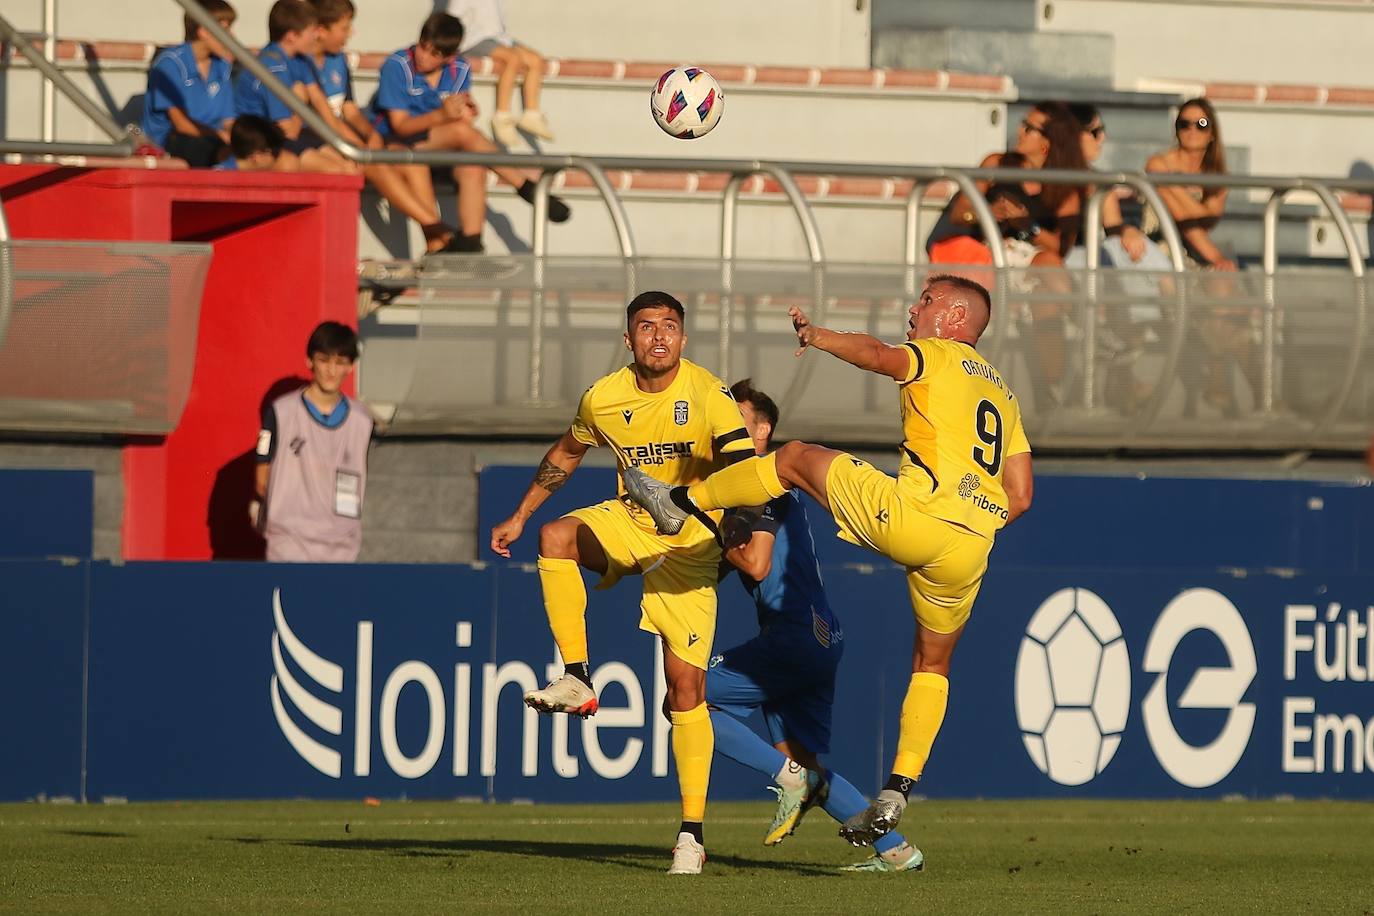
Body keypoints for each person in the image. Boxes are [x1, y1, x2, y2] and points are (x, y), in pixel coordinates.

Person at [623, 274, 1034, 849]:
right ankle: (898, 787)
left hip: (917, 519)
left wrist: (819, 337)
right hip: (972, 546)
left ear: (956, 316)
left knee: (791, 458)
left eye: (926, 300)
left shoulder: (938, 355)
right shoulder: (1005, 397)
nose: (914, 308)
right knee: (933, 666)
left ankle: (681, 500)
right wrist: (965, 520)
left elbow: (878, 355)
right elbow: (1021, 496)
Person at [489, 291, 756, 875]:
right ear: (628, 339)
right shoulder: (604, 398)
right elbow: (566, 452)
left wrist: (738, 523)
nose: (658, 337)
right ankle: (578, 678)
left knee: (685, 692)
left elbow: (740, 463)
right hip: (632, 524)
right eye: (645, 327)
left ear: (683, 339)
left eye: (668, 327)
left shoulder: (709, 394)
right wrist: (520, 514)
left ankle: (691, 834)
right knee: (555, 537)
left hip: (692, 545)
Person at [707, 378, 924, 873]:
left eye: (735, 420)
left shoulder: (758, 482)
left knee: (689, 699)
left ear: (761, 430)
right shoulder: (773, 486)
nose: (722, 432)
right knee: (804, 763)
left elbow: (756, 563)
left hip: (793, 636)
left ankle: (788, 779)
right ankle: (897, 851)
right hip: (821, 634)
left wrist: (705, 525)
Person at [369, 12, 569, 254]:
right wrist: (443, 116)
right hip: (396, 144)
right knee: (460, 135)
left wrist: (464, 111)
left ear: (450, 56)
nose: (423, 56)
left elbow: (457, 115)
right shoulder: (397, 65)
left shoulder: (459, 68)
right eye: (423, 47)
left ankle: (470, 244)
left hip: (435, 143)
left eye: (435, 54)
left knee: (472, 165)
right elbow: (400, 127)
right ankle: (525, 186)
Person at [932, 102, 1087, 410]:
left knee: (1048, 290)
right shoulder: (998, 163)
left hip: (1028, 258)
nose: (1020, 131)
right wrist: (991, 213)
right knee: (1049, 290)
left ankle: (1053, 390)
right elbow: (960, 210)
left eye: (1030, 128)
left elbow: (1059, 246)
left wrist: (1025, 224)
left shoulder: (1063, 186)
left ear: (1048, 141)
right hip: (987, 256)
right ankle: (1090, 327)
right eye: (1022, 124)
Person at [306, 0, 462, 254]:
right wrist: (361, 145)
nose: (351, 33)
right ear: (321, 30)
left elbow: (349, 110)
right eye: (345, 28)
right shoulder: (303, 64)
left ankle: (434, 243)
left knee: (410, 160)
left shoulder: (337, 61)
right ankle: (440, 229)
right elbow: (325, 120)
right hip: (317, 141)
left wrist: (371, 135)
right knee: (371, 162)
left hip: (340, 138)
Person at [1146, 98, 1258, 416]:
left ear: (1213, 133)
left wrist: (1186, 201)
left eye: (1202, 124)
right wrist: (1216, 256)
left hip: (1196, 257)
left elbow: (1195, 217)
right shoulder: (1159, 165)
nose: (1193, 130)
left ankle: (1221, 379)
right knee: (1227, 292)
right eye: (1184, 123)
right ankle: (1241, 390)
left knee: (1225, 293)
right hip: (1160, 254)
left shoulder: (1217, 173)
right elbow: (1188, 219)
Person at [254, 321, 375, 563]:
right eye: (324, 360)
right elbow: (261, 480)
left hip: (341, 548)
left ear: (351, 367)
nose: (331, 369)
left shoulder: (363, 421)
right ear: (310, 361)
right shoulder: (282, 411)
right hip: (288, 547)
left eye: (340, 362)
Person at [235, 0, 353, 174]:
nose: (316, 37)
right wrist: (299, 101)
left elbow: (321, 104)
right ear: (292, 36)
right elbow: (289, 132)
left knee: (351, 166)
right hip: (265, 142)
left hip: (295, 134)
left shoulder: (299, 59)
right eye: (311, 32)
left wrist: (347, 145)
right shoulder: (272, 68)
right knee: (337, 171)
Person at [140, 0, 238, 167]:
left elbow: (229, 119)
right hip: (169, 142)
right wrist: (220, 136)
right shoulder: (170, 65)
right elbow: (181, 124)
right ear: (203, 31)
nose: (232, 37)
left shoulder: (221, 65)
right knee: (218, 153)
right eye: (225, 29)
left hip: (211, 138)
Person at [445, 0, 554, 147]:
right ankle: (502, 116)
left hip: (499, 38)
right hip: (473, 40)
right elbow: (451, 18)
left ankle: (532, 114)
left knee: (535, 60)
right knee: (513, 59)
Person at [212, 114, 284, 171]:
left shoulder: (219, 173)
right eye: (274, 152)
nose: (278, 158)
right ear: (256, 156)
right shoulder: (219, 177)